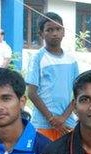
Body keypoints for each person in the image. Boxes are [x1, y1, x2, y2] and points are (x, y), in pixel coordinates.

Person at [26, 12, 79, 141]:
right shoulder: (38, 58)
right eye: (49, 30)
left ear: (64, 31)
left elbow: (79, 93)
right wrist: (51, 119)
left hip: (67, 123)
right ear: (41, 34)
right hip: (43, 124)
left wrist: (63, 118)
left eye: (58, 29)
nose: (54, 33)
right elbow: (32, 93)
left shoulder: (71, 60)